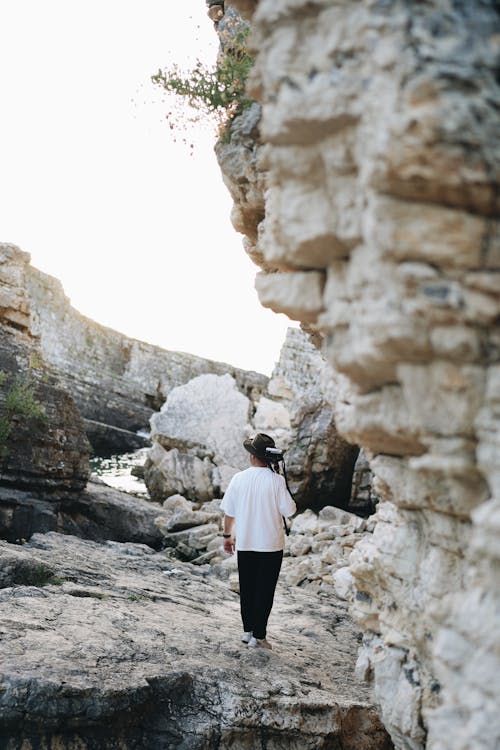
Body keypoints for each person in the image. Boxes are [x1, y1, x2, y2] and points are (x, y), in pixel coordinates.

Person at [220, 433, 296, 650]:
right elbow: (289, 511)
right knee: (265, 590)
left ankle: (247, 632)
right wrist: (280, 480)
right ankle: (259, 637)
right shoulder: (277, 481)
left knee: (248, 588)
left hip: (245, 543)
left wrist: (227, 536)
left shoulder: (238, 478)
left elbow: (229, 513)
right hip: (271, 545)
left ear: (253, 457)